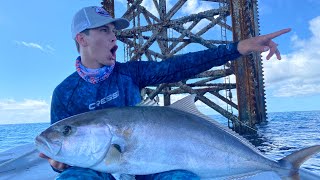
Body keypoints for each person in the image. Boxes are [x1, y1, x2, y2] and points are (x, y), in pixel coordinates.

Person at [39, 5, 291, 180]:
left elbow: (179, 66)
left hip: (149, 165)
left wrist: (238, 48)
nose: (114, 38)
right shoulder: (65, 94)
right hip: (98, 169)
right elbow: (63, 151)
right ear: (82, 39)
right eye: (104, 31)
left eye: (114, 31)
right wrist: (57, 163)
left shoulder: (130, 73)